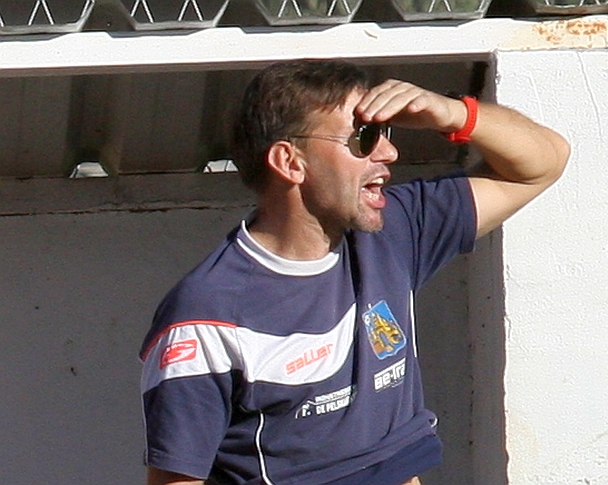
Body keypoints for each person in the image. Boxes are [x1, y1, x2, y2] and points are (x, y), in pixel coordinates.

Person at [140, 59, 570, 485]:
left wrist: (453, 113)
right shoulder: (205, 317)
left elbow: (543, 163)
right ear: (290, 162)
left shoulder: (395, 230)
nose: (389, 153)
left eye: (385, 133)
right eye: (363, 137)